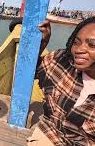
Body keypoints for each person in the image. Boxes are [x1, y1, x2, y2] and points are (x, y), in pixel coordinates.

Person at [27, 17, 95, 145]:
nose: (79, 50)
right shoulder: (62, 61)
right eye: (76, 42)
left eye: (92, 45)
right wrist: (40, 45)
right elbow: (28, 71)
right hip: (49, 136)